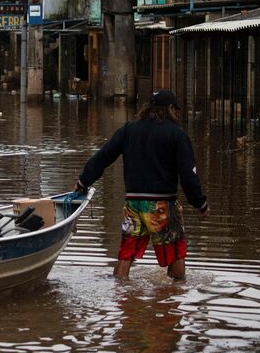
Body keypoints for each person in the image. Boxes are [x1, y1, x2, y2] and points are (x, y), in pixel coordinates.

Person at [74, 89, 209, 280]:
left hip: (133, 205)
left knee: (126, 255)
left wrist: (83, 182)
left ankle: (121, 293)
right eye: (175, 110)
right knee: (176, 254)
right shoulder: (177, 134)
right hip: (162, 206)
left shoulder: (129, 129)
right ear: (170, 108)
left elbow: (103, 157)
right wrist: (200, 203)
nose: (177, 114)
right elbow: (188, 176)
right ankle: (174, 297)